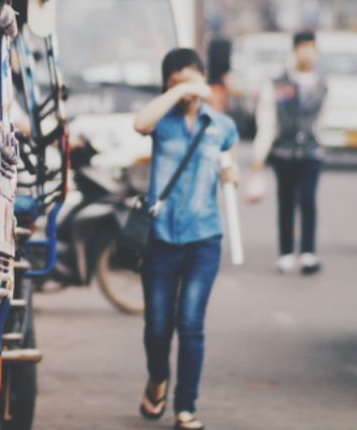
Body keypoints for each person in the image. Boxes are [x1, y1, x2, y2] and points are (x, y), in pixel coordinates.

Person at [132, 48, 239, 430]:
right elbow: (140, 123)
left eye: (192, 80)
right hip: (161, 237)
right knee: (158, 326)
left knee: (191, 324)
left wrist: (231, 174)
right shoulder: (162, 121)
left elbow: (227, 161)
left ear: (204, 78)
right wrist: (179, 91)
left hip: (203, 237)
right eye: (176, 82)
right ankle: (157, 377)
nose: (188, 90)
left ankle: (185, 407)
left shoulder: (222, 126)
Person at [249, 31, 327, 275]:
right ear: (294, 51)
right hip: (283, 152)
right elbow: (267, 120)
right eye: (303, 47)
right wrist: (259, 157)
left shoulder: (322, 84)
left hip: (311, 152)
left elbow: (324, 119)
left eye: (311, 48)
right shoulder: (278, 83)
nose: (307, 53)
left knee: (308, 200)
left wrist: (322, 143)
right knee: (286, 202)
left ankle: (308, 253)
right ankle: (285, 253)